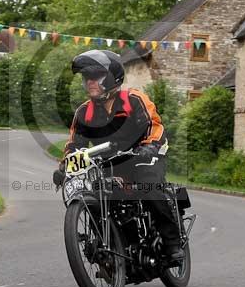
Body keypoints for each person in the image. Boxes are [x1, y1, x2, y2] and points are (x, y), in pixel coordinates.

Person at [54, 49, 183, 263]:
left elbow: (154, 125)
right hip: (109, 165)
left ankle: (172, 243)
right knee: (98, 193)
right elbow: (73, 146)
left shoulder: (132, 99)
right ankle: (115, 246)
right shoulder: (83, 113)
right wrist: (64, 167)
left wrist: (149, 146)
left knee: (148, 188)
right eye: (87, 78)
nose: (90, 83)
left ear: (113, 77)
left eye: (96, 77)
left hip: (143, 157)